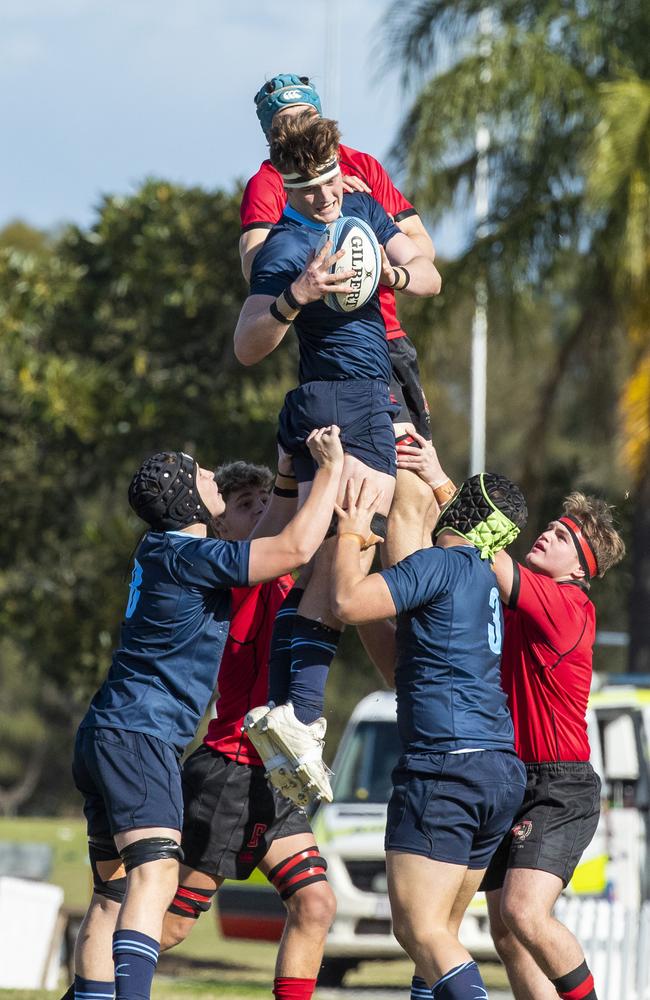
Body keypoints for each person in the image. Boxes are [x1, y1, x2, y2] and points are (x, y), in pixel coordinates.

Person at [69, 431, 343, 1000]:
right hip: (148, 737)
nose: (211, 476)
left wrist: (293, 475)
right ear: (194, 507)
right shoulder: (196, 558)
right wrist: (333, 471)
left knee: (113, 895)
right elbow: (290, 547)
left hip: (115, 729)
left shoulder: (164, 550)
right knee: (157, 880)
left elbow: (284, 547)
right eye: (201, 476)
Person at [234, 112, 441, 804]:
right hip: (350, 406)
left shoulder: (361, 209)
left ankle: (283, 705)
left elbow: (431, 273)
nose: (325, 199)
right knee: (343, 560)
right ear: (286, 187)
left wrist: (396, 270)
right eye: (309, 189)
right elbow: (247, 343)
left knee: (305, 565)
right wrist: (298, 296)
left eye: (329, 183)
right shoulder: (287, 246)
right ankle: (307, 715)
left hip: (333, 406)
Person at [395, 431, 626, 1000]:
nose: (548, 531)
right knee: (504, 933)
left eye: (565, 536)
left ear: (581, 568)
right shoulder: (521, 598)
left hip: (559, 785)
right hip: (507, 773)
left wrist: (439, 477)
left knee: (524, 913)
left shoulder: (568, 604)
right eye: (553, 525)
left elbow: (486, 550)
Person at [331, 472, 529, 1000]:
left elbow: (346, 603)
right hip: (496, 769)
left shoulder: (437, 565)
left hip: (447, 766)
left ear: (460, 510)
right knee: (440, 937)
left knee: (419, 930)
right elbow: (405, 666)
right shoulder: (482, 579)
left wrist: (351, 534)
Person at [242, 72, 439, 565]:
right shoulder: (271, 185)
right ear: (271, 136)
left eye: (305, 116)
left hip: (389, 347)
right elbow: (257, 266)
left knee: (404, 507)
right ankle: (405, 621)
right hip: (337, 359)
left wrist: (383, 269)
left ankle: (402, 618)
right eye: (284, 123)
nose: (296, 129)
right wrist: (304, 281)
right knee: (352, 540)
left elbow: (425, 257)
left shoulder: (361, 173)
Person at [160, 459, 336, 1000]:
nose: (263, 509)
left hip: (274, 775)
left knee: (315, 903)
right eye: (245, 506)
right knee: (170, 925)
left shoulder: (285, 577)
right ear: (221, 528)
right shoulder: (229, 578)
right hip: (228, 772)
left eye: (266, 499)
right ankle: (94, 972)